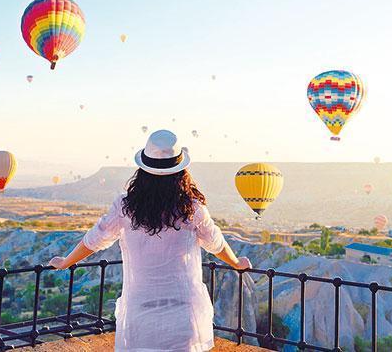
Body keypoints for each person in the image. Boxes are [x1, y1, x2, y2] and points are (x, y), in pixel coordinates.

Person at [49, 130, 251, 351]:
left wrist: (66, 261)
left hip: (141, 313)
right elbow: (217, 243)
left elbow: (94, 239)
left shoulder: (125, 207)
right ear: (181, 171)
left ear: (143, 169)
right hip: (183, 312)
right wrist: (236, 263)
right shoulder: (192, 208)